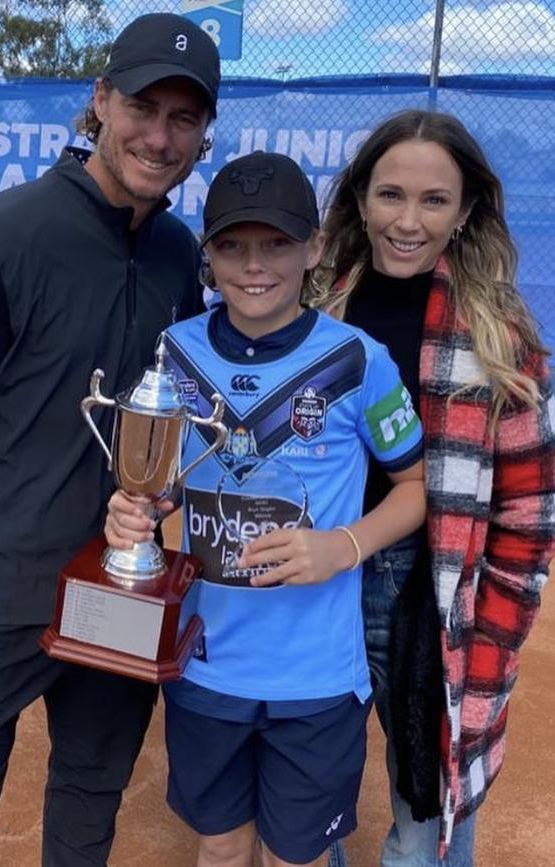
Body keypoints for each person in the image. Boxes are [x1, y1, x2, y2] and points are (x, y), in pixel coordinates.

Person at [0, 13, 220, 866]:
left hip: (120, 587)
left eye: (183, 118)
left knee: (87, 813)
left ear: (203, 133)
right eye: (142, 106)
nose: (158, 136)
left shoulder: (177, 256)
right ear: (99, 100)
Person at [105, 150, 427, 867]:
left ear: (314, 249)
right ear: (208, 256)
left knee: (294, 856)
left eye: (277, 243)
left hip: (314, 675)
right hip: (206, 665)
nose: (255, 265)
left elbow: (414, 488)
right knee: (220, 845)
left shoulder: (358, 358)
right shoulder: (174, 353)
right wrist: (132, 513)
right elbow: (160, 482)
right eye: (233, 246)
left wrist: (342, 545)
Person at [310, 109, 555, 867]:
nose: (407, 221)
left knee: (426, 812)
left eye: (433, 200)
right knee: (305, 790)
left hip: (430, 590)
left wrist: (493, 632)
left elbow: (527, 510)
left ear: (467, 211)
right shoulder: (316, 307)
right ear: (358, 200)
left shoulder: (499, 331)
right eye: (389, 196)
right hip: (314, 584)